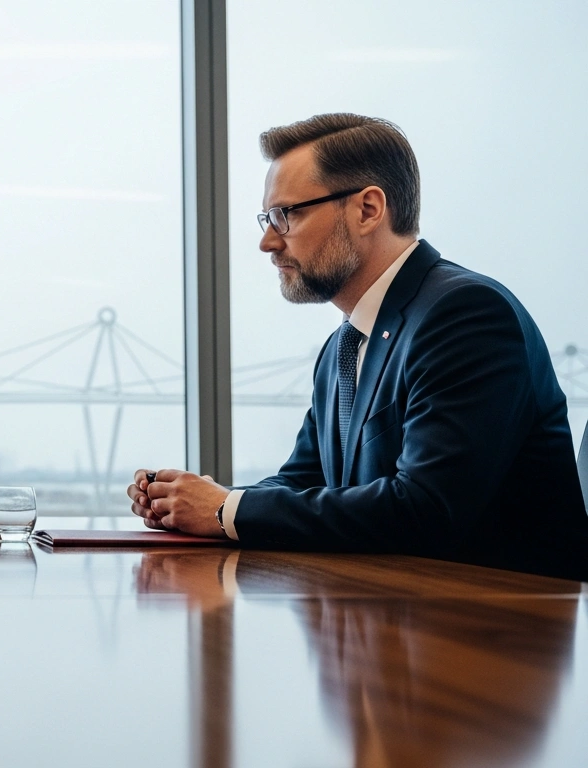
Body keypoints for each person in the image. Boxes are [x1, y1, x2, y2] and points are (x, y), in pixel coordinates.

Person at [128, 113, 588, 581]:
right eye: (268, 218)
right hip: (393, 618)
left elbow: (424, 509)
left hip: (497, 632)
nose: (268, 242)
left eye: (288, 215)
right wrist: (196, 503)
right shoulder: (343, 347)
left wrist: (227, 509)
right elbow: (303, 484)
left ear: (368, 210)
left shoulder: (466, 315)